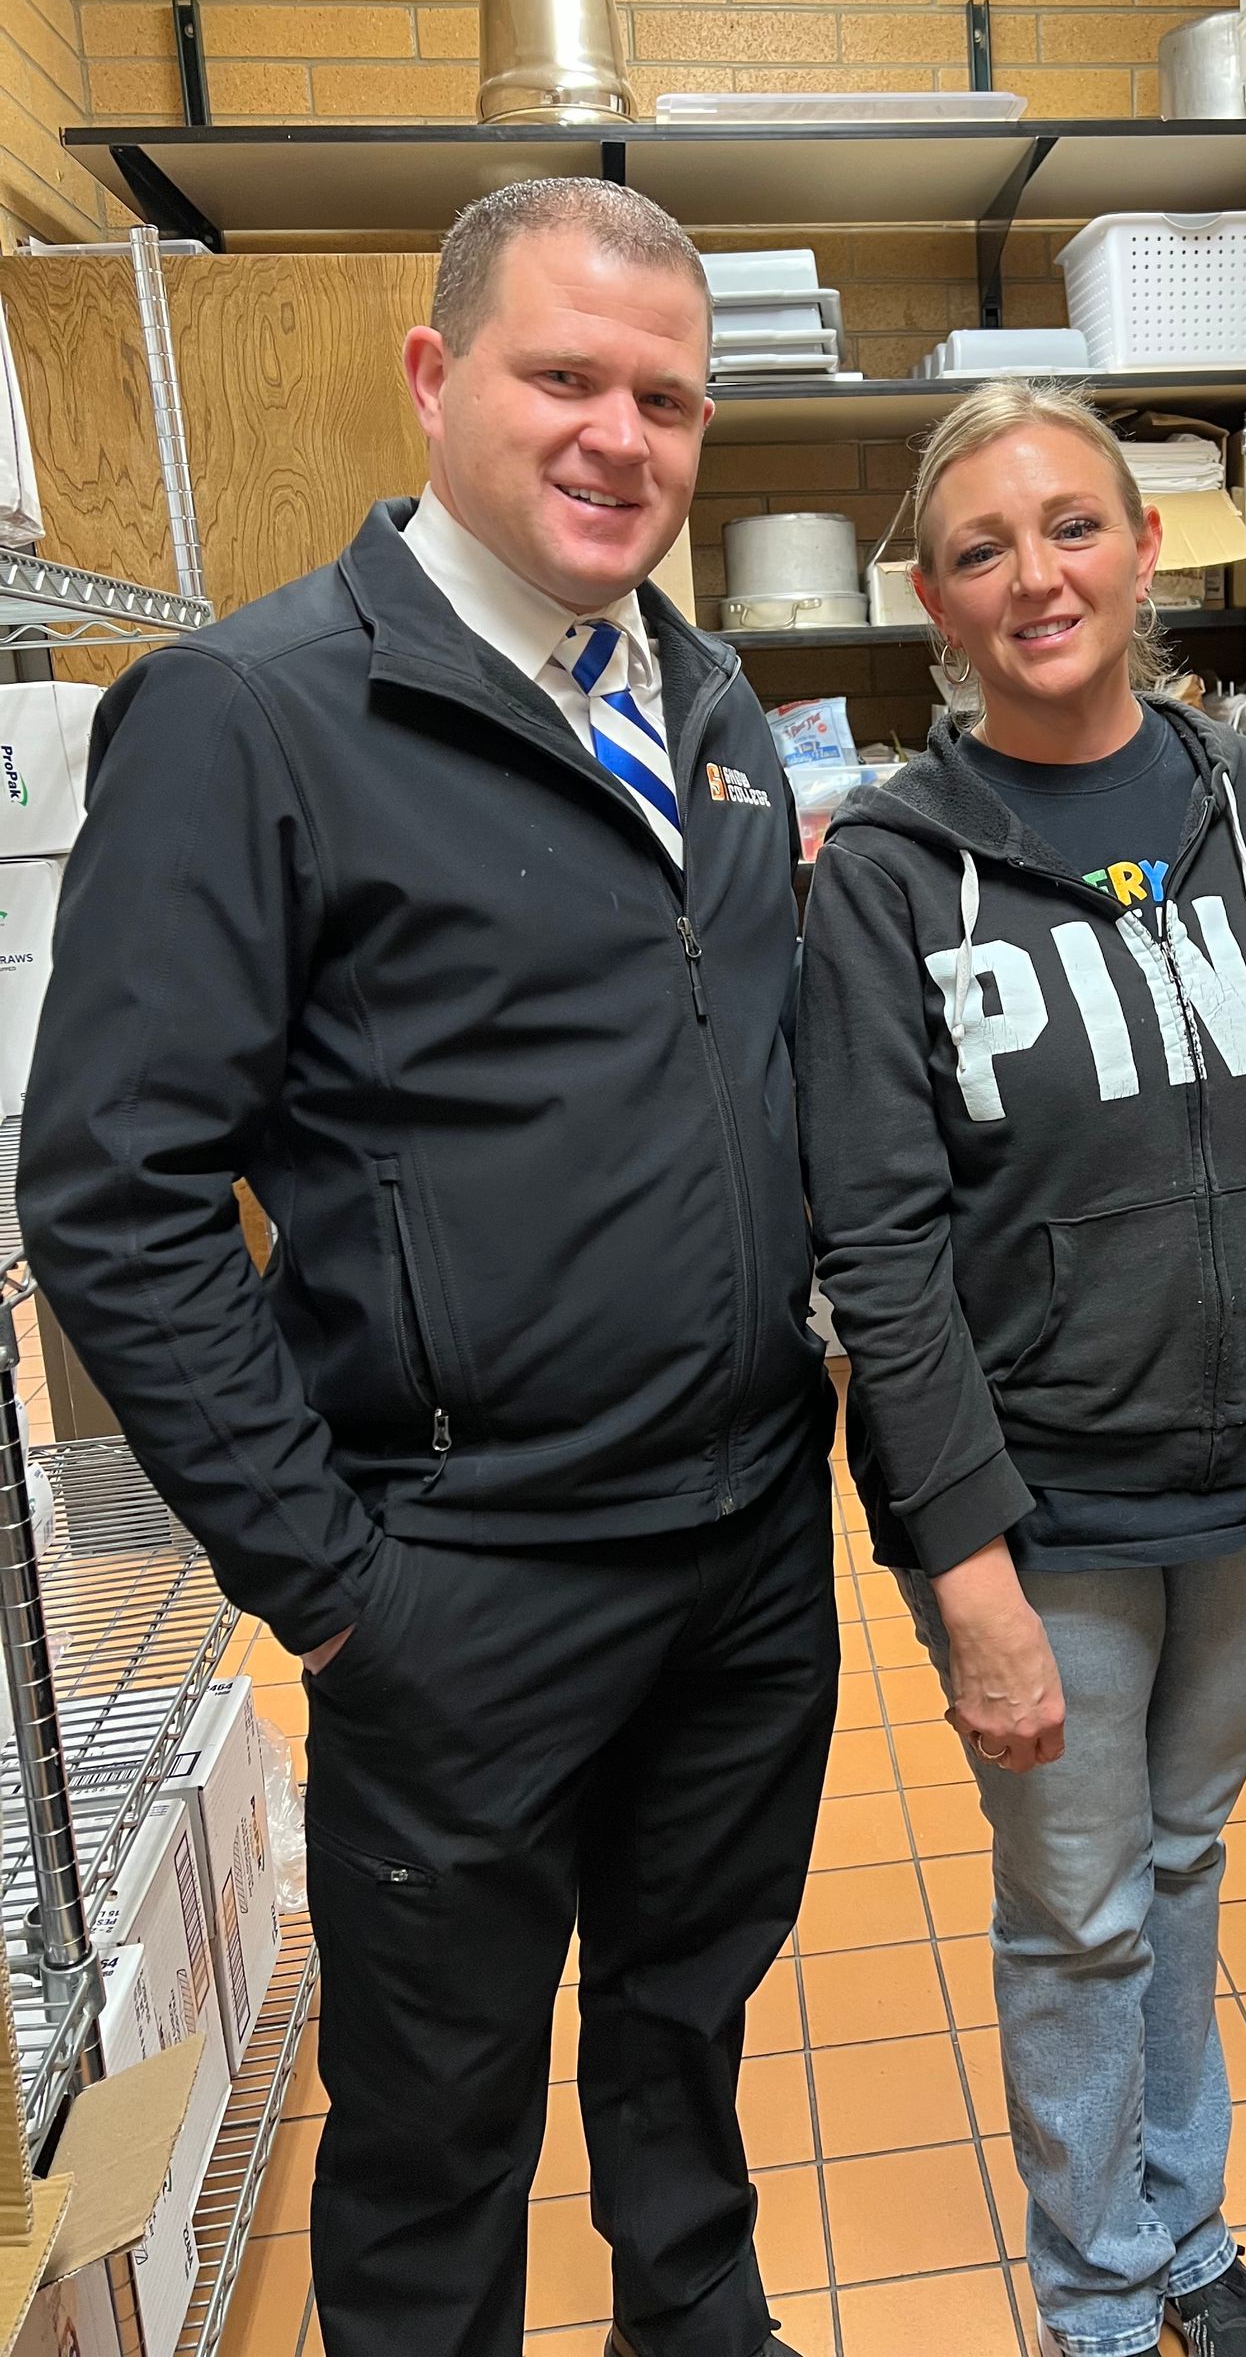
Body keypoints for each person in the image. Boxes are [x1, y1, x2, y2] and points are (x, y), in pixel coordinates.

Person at [18, 178, 836, 2357]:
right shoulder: (255, 712)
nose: (620, 435)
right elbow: (108, 1182)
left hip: (748, 1549)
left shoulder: (720, 706)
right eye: (564, 374)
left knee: (688, 2042)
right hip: (467, 1578)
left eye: (666, 395)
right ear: (434, 376)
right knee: (431, 2141)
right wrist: (339, 1580)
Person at [796, 381, 1246, 2357]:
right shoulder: (886, 873)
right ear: (933, 605)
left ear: (1144, 550)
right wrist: (963, 1565)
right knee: (1080, 1907)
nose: (1035, 573)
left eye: (1071, 525)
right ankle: (1101, 2293)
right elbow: (872, 1244)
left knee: (1183, 1858)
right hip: (1053, 1511)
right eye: (979, 548)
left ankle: (1183, 2224)